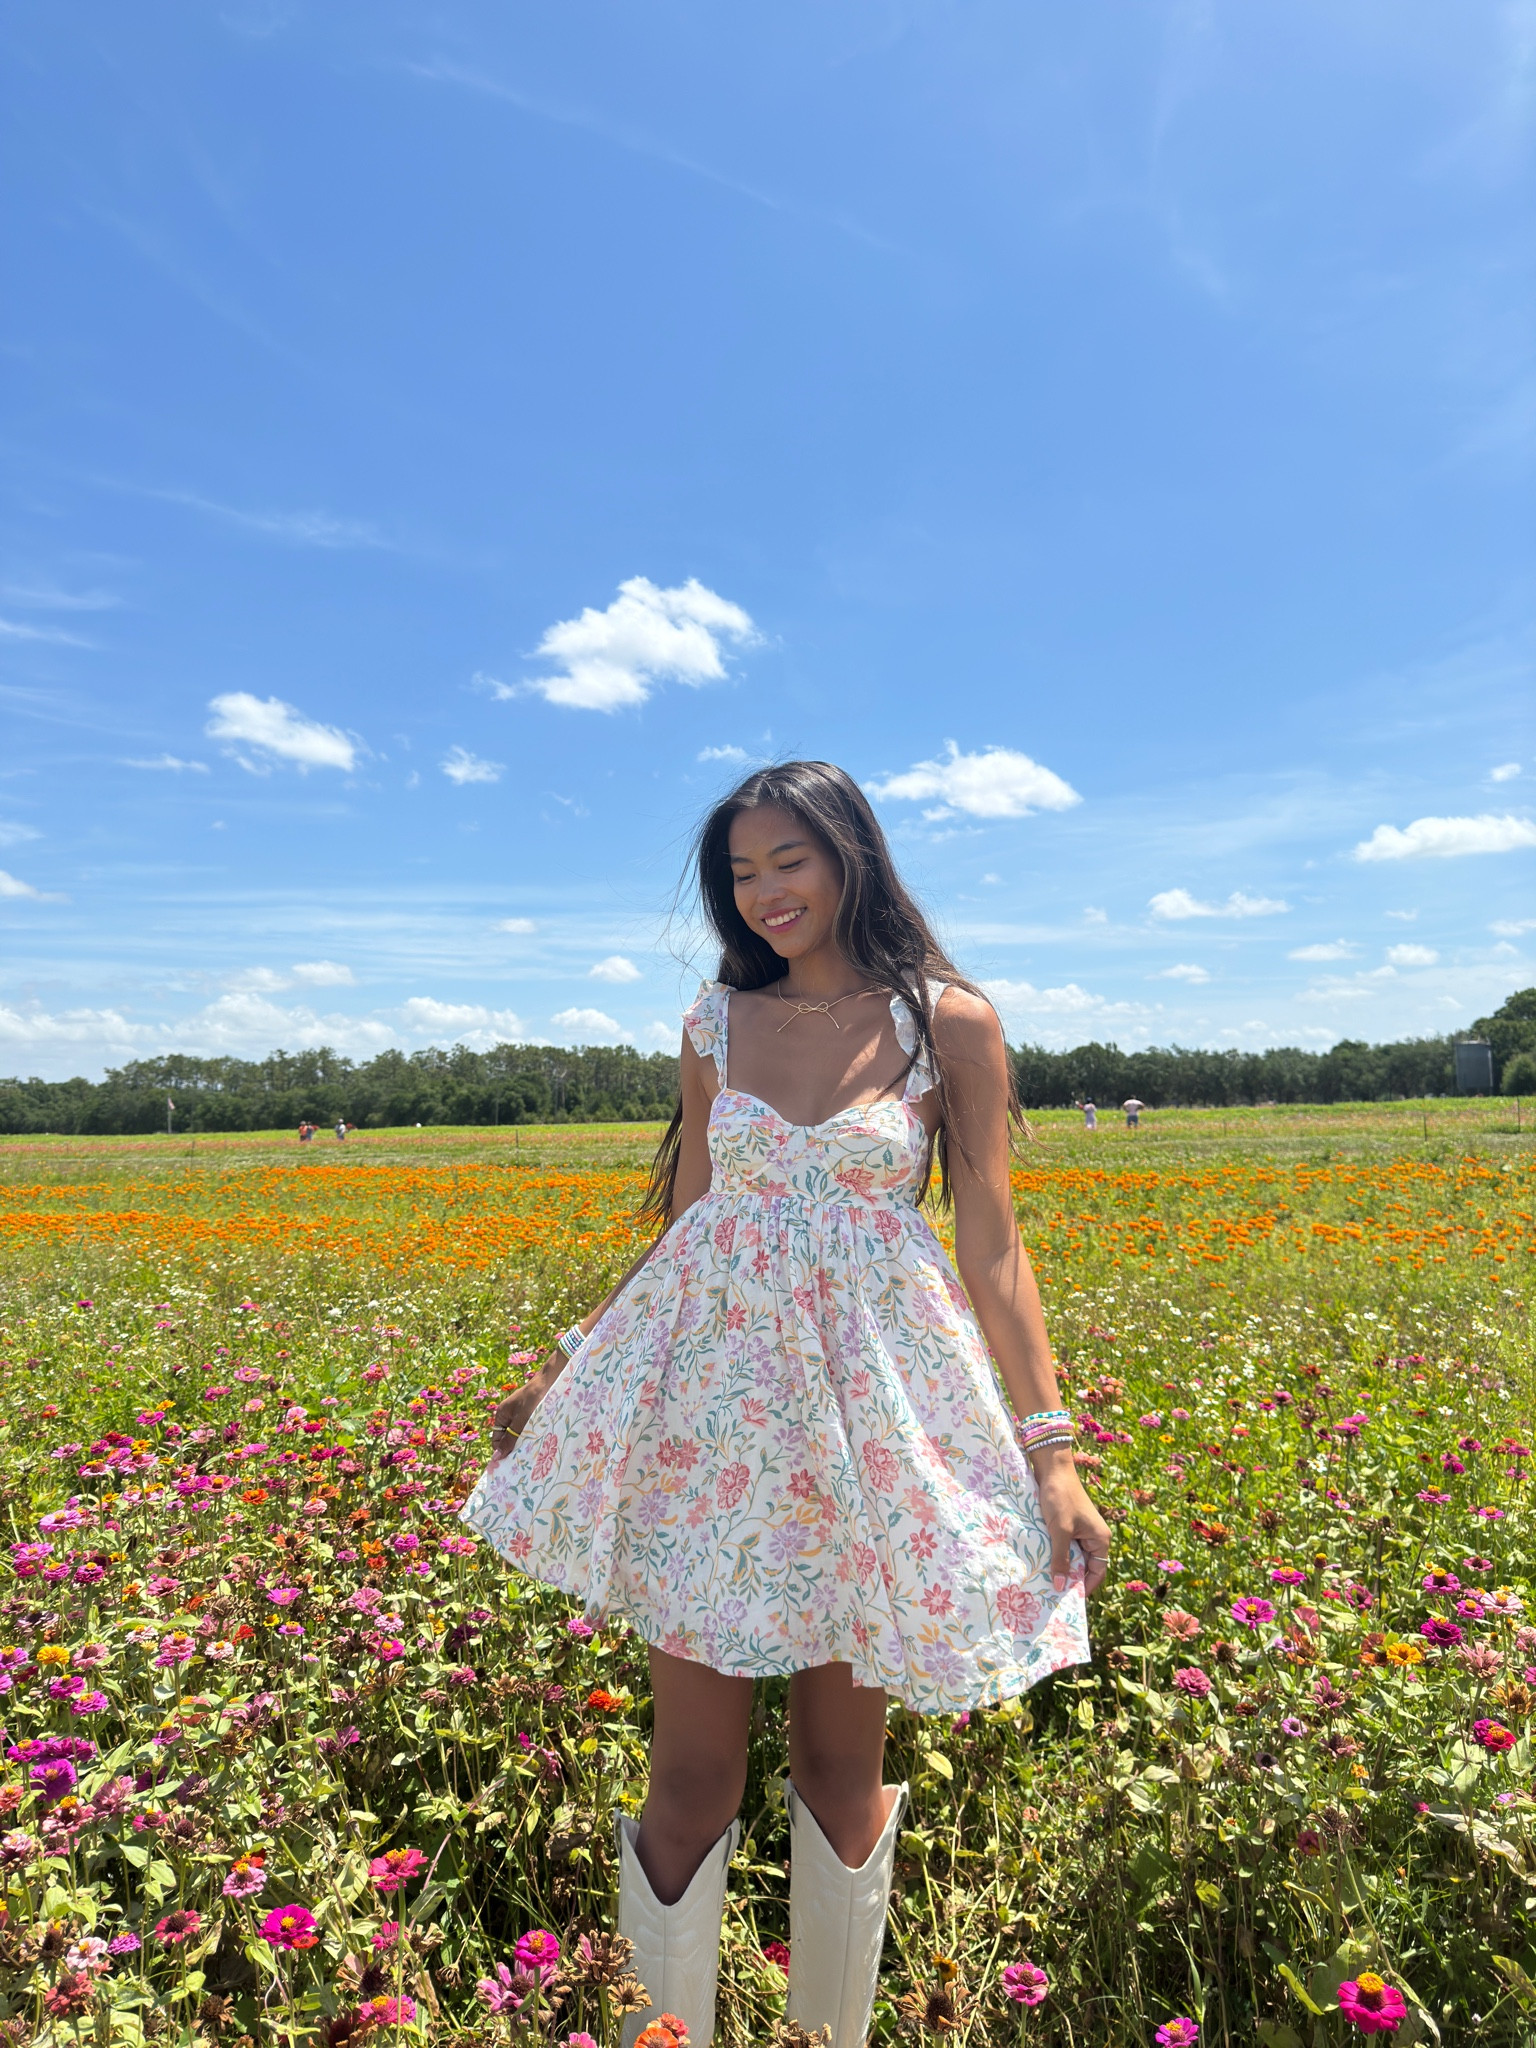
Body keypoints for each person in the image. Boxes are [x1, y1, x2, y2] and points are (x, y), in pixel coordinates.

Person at [463, 762, 1110, 2048]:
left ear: (851, 854)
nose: (765, 894)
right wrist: (568, 1362)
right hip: (713, 1431)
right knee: (691, 1775)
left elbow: (993, 1245)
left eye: (788, 862)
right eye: (742, 873)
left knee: (839, 1768)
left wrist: (1052, 1451)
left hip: (872, 1427)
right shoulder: (713, 1024)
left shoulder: (948, 1021)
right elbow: (691, 1221)